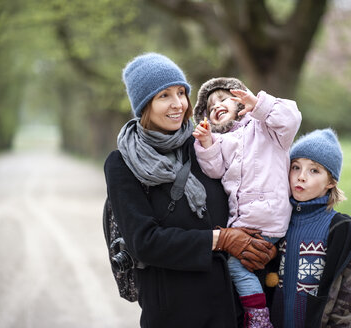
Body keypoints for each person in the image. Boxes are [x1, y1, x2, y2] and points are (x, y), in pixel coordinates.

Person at [104, 53, 277, 328]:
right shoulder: (123, 163)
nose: (178, 104)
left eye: (182, 92)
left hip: (230, 308)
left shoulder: (205, 145)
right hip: (174, 311)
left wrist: (264, 245)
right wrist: (221, 239)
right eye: (164, 96)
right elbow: (144, 242)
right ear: (144, 105)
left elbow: (246, 195)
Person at [192, 77, 302, 327]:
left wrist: (260, 104)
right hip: (243, 221)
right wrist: (207, 143)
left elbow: (291, 119)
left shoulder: (264, 127)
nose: (216, 105)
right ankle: (260, 310)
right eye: (210, 107)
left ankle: (258, 316)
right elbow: (214, 171)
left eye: (222, 98)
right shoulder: (222, 141)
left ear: (240, 99)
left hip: (267, 215)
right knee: (243, 266)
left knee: (237, 267)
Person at [268, 128, 351, 328]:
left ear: (331, 182)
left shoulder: (342, 231)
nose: (301, 177)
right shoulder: (276, 224)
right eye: (295, 167)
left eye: (314, 170)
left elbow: (347, 302)